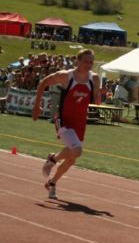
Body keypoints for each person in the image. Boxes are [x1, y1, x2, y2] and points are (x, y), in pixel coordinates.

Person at [32, 48, 100, 200]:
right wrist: (37, 105)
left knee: (71, 159)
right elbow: (43, 83)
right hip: (63, 119)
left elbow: (96, 101)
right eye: (85, 61)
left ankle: (52, 183)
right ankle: (53, 160)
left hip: (80, 122)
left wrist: (100, 94)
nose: (89, 64)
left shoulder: (94, 79)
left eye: (91, 62)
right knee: (77, 150)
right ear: (78, 61)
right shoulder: (65, 76)